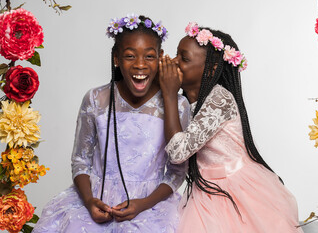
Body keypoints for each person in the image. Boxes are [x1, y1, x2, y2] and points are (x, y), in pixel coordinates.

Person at [33, 14, 190, 233]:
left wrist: (143, 203)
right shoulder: (96, 99)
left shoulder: (177, 105)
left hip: (151, 203)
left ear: (161, 58)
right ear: (116, 58)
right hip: (97, 198)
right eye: (129, 56)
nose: (140, 64)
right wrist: (89, 201)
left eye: (149, 56)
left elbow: (177, 170)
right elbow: (80, 160)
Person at [159, 22, 303, 233]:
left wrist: (168, 94)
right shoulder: (184, 104)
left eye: (184, 58)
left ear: (212, 68)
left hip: (237, 190)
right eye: (176, 54)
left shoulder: (219, 99)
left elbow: (178, 152)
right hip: (207, 191)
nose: (174, 62)